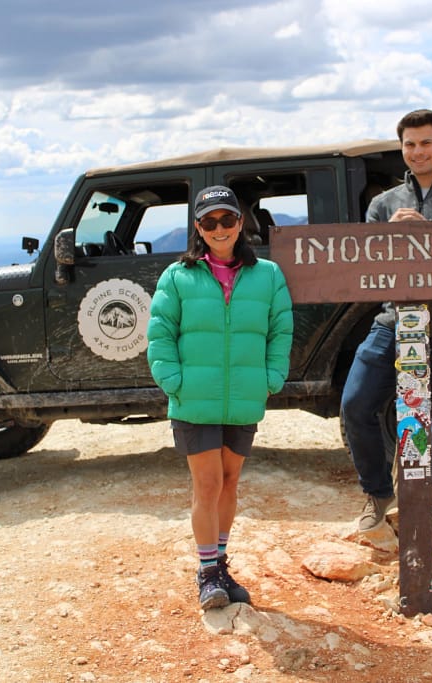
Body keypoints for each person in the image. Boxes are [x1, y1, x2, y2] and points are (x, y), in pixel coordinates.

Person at [341, 109, 432, 542]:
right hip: (392, 319)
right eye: (409, 144)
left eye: (426, 142)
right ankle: (376, 494)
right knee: (355, 403)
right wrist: (388, 237)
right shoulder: (382, 204)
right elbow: (366, 265)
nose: (417, 151)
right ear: (401, 149)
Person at [147, 185, 293, 610]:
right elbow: (160, 333)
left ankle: (220, 563)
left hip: (243, 397)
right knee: (207, 484)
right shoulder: (178, 276)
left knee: (230, 482)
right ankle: (208, 573)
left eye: (227, 219)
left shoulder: (267, 274)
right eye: (209, 222)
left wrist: (272, 376)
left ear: (240, 222)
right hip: (194, 397)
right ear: (198, 227)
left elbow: (281, 327)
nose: (219, 228)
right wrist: (173, 381)